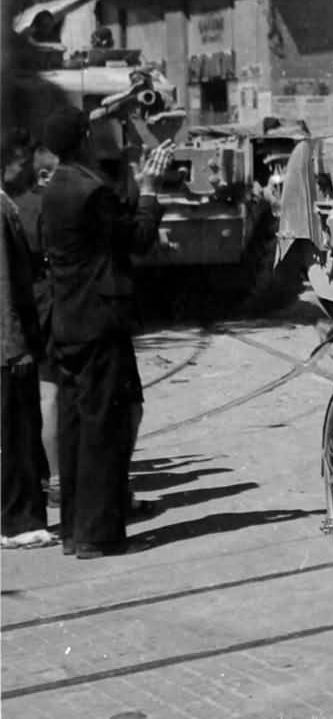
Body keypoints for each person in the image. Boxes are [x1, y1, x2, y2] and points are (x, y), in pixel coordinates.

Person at [40, 107, 171, 558]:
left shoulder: (56, 187)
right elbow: (137, 239)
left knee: (76, 425)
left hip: (68, 320)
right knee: (104, 428)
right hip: (100, 321)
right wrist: (150, 191)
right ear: (83, 138)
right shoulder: (91, 191)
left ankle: (76, 532)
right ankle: (100, 535)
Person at [2, 133, 53, 549]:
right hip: (8, 347)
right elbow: (4, 285)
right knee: (14, 436)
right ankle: (17, 523)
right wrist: (15, 344)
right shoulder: (2, 208)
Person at [11, 141, 61, 506]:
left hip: (29, 305)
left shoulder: (16, 206)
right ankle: (58, 477)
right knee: (52, 392)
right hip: (50, 302)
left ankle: (44, 473)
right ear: (44, 174)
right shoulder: (46, 206)